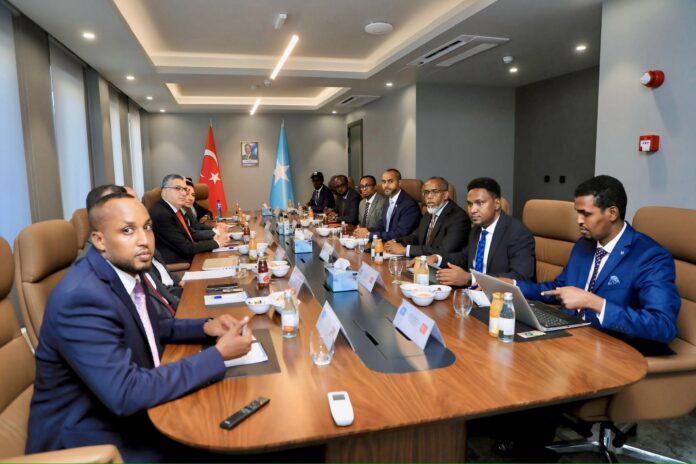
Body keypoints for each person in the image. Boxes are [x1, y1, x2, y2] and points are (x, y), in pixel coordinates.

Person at [26, 193, 253, 461]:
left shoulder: (122, 269)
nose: (144, 240)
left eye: (147, 227)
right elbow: (126, 392)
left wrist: (206, 327)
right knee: (225, 437)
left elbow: (152, 325)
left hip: (126, 411)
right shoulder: (81, 298)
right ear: (99, 240)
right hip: (93, 440)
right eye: (127, 230)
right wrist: (217, 355)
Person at [519, 175, 680, 351]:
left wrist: (595, 303)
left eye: (586, 214)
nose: (579, 220)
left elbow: (663, 325)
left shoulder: (650, 256)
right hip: (569, 335)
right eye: (578, 212)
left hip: (613, 348)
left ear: (612, 213)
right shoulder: (584, 245)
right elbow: (559, 288)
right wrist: (513, 286)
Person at [433, 177, 535, 286]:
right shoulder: (477, 229)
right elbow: (465, 257)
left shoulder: (518, 233)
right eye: (470, 204)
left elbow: (520, 277)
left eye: (480, 203)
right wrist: (437, 259)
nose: (472, 210)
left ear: (497, 204)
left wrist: (470, 279)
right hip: (472, 293)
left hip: (498, 295)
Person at [149, 174, 231, 263]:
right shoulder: (162, 214)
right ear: (164, 192)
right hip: (180, 263)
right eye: (178, 188)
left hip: (189, 256)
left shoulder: (174, 208)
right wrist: (217, 242)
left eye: (184, 189)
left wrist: (216, 234)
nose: (184, 193)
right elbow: (186, 247)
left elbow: (192, 234)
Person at [384, 177, 470, 258]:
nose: (429, 196)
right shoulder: (429, 213)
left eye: (434, 192)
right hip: (423, 263)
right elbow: (415, 237)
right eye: (426, 192)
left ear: (445, 195)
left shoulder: (458, 217)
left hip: (444, 267)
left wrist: (406, 250)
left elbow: (443, 250)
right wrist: (395, 242)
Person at [354, 168, 421, 241]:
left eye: (390, 181)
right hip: (385, 242)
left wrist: (369, 235)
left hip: (400, 245)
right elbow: (382, 226)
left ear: (399, 183)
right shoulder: (387, 201)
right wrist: (366, 230)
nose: (385, 185)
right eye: (383, 182)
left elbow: (400, 234)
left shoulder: (409, 205)